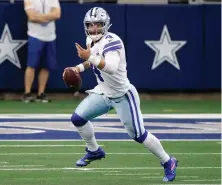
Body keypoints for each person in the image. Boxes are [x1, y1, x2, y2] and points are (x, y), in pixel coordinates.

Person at [63, 7, 178, 182]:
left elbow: (110, 67)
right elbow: (90, 60)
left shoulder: (112, 41)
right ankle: (94, 150)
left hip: (122, 94)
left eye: (98, 24)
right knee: (78, 119)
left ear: (106, 25)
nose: (94, 28)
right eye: (90, 25)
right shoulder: (90, 40)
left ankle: (168, 161)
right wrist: (77, 68)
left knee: (139, 135)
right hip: (103, 91)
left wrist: (89, 57)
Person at [23, 0, 61, 103]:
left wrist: (40, 17)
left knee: (46, 66)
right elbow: (32, 17)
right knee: (31, 65)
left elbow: (57, 14)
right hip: (35, 35)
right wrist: (49, 16)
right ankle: (27, 93)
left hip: (50, 36)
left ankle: (41, 93)